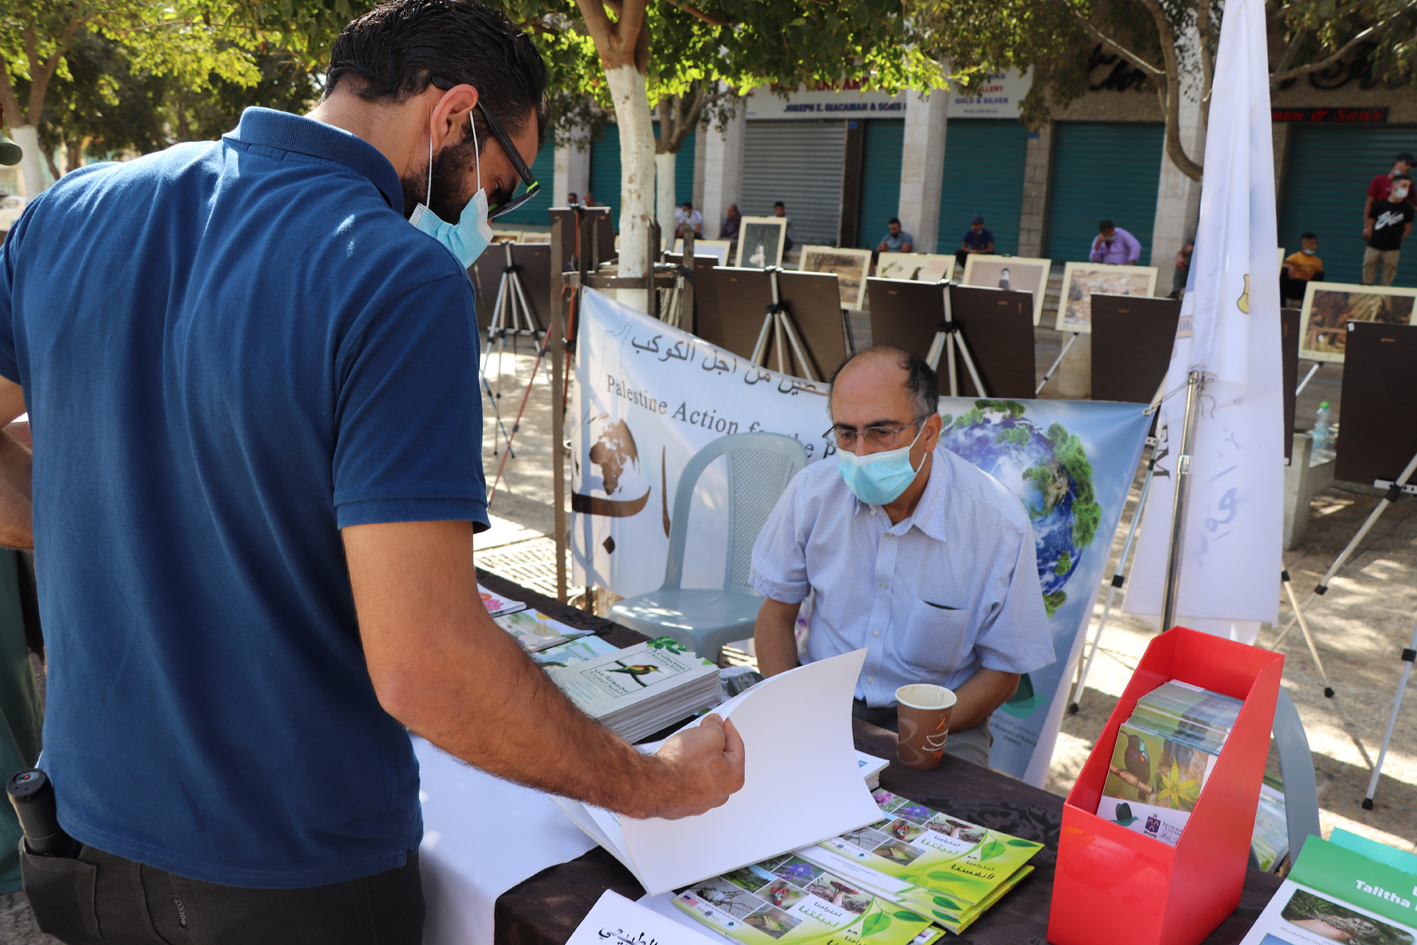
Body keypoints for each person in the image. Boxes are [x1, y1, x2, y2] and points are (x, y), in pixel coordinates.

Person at [0, 2, 744, 941]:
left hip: (86, 841)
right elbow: (427, 666)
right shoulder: (398, 275)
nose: (484, 214)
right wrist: (656, 785)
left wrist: (83, 523)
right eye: (501, 183)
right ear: (452, 115)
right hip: (287, 875)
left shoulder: (75, 207)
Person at [751, 347, 1054, 768]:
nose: (860, 452)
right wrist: (788, 704)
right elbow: (775, 615)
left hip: (945, 724)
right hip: (822, 702)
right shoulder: (813, 494)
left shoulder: (997, 523)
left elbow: (1005, 670)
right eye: (845, 433)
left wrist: (925, 731)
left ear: (929, 432)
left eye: (881, 432)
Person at [1363, 174, 1414, 286]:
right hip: (1373, 246)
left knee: (1387, 279)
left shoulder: (1407, 208)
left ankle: (1384, 301)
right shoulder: (1379, 205)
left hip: (1392, 249)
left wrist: (1396, 241)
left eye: (1408, 186)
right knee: (1367, 273)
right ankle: (1366, 299)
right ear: (1394, 186)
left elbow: (1407, 229)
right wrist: (1371, 238)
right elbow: (1371, 223)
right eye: (1404, 186)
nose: (1406, 189)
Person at [1364, 152, 1414, 240]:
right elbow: (1368, 205)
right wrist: (1366, 227)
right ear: (1397, 163)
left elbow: (1414, 202)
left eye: (1411, 165)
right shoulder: (1379, 180)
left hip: (1395, 228)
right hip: (1377, 226)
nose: (1409, 167)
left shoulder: (1408, 184)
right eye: (1407, 164)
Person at [1282, 232, 1324, 303]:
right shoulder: (1295, 257)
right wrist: (1290, 266)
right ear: (1303, 244)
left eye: (1315, 244)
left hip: (1306, 287)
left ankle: (1309, 300)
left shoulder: (1317, 261)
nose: (1315, 246)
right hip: (1294, 286)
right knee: (1284, 271)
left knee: (1320, 274)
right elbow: (1282, 265)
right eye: (1312, 243)